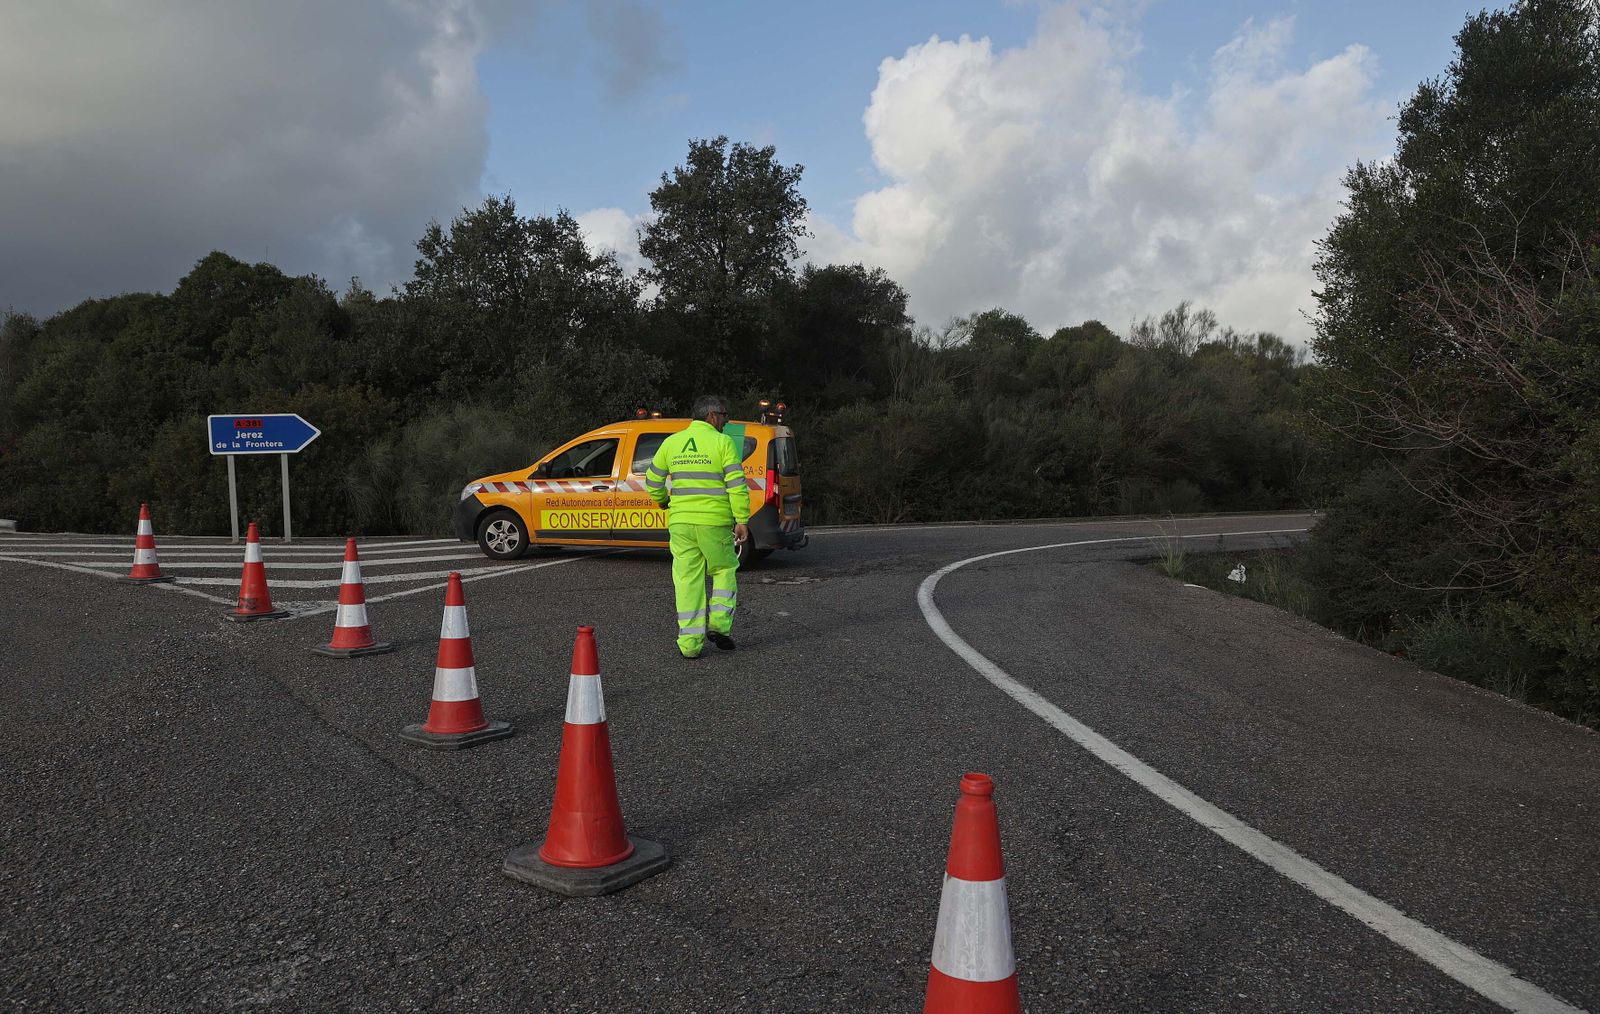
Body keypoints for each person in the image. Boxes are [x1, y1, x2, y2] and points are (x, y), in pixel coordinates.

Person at [645, 395, 751, 659]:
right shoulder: (722, 442)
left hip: (680, 523)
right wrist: (742, 520)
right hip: (714, 522)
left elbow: (652, 481)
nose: (726, 421)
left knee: (687, 580)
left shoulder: (672, 442)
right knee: (724, 568)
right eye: (724, 416)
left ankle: (690, 646)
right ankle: (719, 625)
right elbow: (737, 486)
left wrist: (663, 501)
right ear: (712, 416)